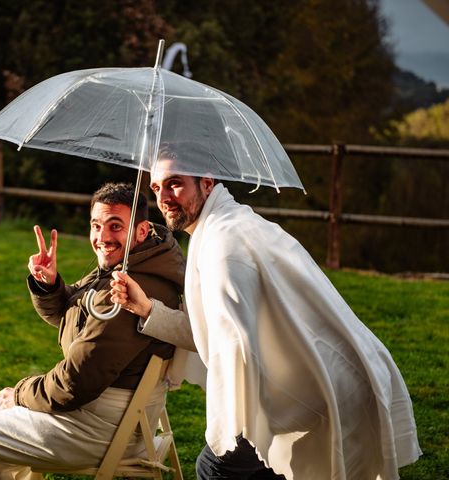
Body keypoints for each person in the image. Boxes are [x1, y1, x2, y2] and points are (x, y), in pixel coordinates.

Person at [110, 147, 422, 480]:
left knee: (217, 466)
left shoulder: (223, 246)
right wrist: (145, 308)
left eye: (175, 183)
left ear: (207, 181)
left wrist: (228, 426)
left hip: (327, 386)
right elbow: (214, 331)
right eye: (157, 188)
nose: (164, 197)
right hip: (334, 375)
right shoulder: (230, 222)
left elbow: (235, 348)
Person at [0, 182, 185, 480]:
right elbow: (72, 315)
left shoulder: (126, 290)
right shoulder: (134, 262)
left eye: (115, 226)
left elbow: (75, 383)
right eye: (96, 225)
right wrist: (49, 284)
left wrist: (20, 393)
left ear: (141, 231)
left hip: (103, 428)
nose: (102, 237)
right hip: (115, 416)